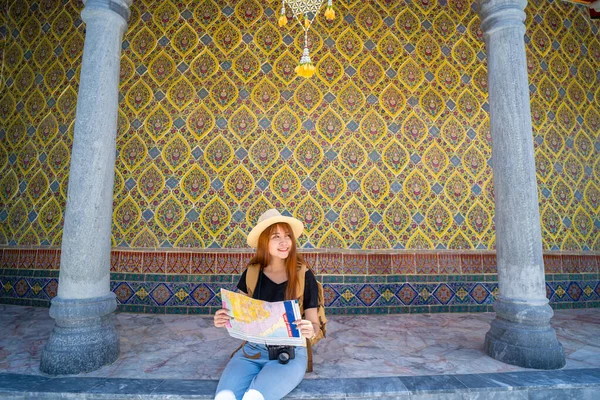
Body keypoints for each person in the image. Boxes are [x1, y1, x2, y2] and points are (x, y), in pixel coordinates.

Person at [214, 209, 321, 400]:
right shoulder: (252, 273)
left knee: (253, 397)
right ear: (264, 241)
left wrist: (309, 329)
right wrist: (224, 318)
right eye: (276, 236)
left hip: (289, 354)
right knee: (224, 397)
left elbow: (314, 325)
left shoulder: (304, 275)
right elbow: (238, 314)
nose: (284, 242)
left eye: (287, 236)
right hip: (252, 351)